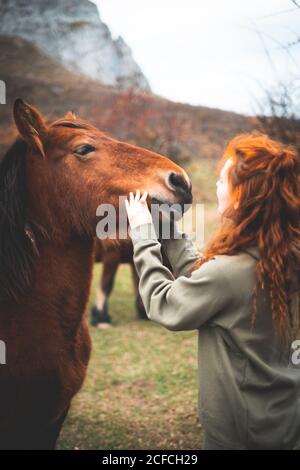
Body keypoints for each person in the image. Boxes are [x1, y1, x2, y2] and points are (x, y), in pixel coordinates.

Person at [124, 132, 300, 450]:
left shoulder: (233, 272)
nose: (216, 185)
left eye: (222, 180)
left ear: (243, 194)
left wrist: (143, 235)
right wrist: (168, 229)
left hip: (238, 434)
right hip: (280, 419)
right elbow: (210, 281)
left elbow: (164, 304)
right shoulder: (282, 253)